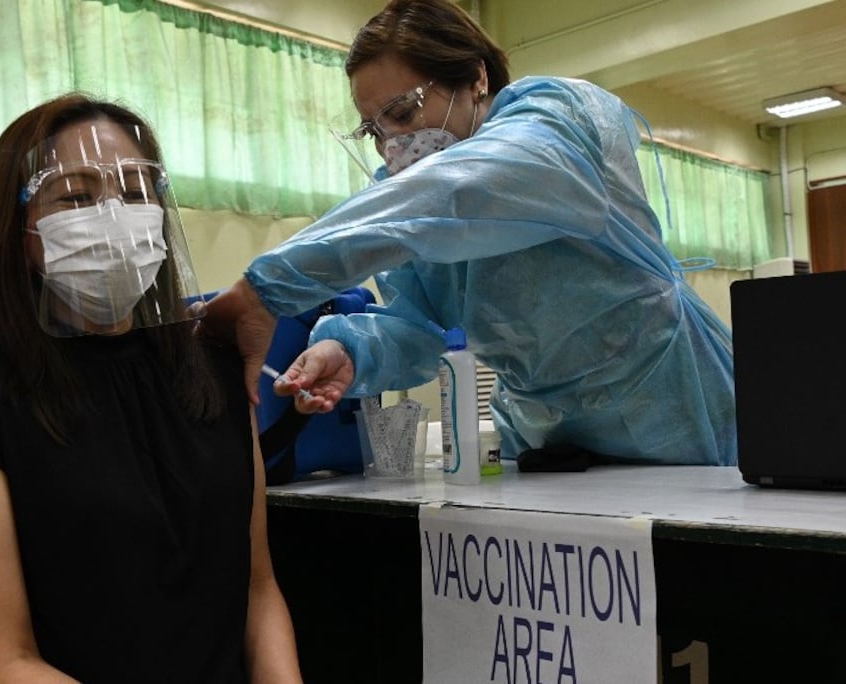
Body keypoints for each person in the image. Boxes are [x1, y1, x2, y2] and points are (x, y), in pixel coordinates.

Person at [204, 0, 736, 467]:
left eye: (404, 111)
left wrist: (270, 285)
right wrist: (350, 353)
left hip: (677, 417)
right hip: (545, 439)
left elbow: (465, 189)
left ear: (477, 78)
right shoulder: (411, 201)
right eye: (374, 130)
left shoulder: (560, 118)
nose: (394, 142)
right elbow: (420, 329)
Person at [0, 94, 302, 683]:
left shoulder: (213, 370)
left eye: (135, 193)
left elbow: (258, 592)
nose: (113, 217)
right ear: (23, 228)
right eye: (77, 197)